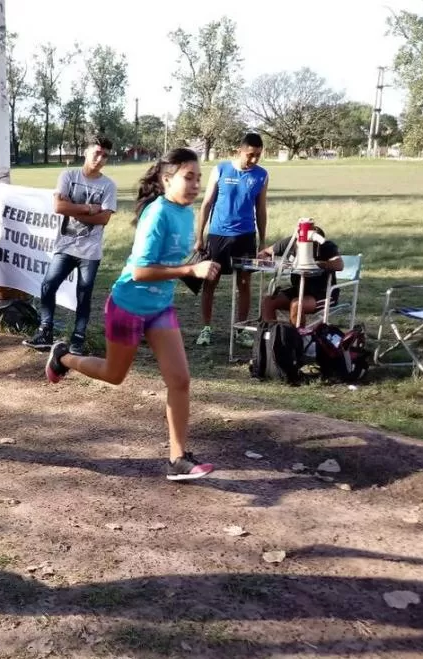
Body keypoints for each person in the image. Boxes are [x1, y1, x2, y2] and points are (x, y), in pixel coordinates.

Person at [44, 148, 220, 481]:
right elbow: (139, 271)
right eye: (189, 177)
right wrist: (190, 270)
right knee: (114, 374)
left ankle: (177, 459)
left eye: (199, 177)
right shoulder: (158, 214)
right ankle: (63, 358)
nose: (196, 184)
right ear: (168, 179)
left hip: (159, 310)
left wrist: (195, 266)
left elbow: (171, 262)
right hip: (127, 306)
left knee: (180, 380)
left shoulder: (185, 212)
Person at [23, 133, 117, 355]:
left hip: (90, 251)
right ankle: (45, 331)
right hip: (65, 245)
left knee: (84, 294)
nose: (100, 159)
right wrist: (88, 208)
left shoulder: (108, 186)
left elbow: (104, 219)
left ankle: (78, 338)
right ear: (86, 152)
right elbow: (58, 207)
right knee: (48, 285)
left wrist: (73, 206)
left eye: (105, 156)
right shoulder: (68, 175)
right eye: (97, 153)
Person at [194, 132, 269, 347]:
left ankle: (241, 329)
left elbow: (261, 210)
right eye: (250, 155)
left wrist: (262, 242)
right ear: (240, 150)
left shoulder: (261, 175)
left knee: (244, 284)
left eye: (258, 155)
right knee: (210, 283)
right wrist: (199, 237)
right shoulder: (221, 169)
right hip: (218, 236)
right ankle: (206, 329)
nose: (253, 160)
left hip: (246, 236)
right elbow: (207, 203)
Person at [259, 225, 343, 325]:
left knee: (297, 305)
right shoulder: (289, 243)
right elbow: (264, 252)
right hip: (298, 290)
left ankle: (296, 338)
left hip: (323, 293)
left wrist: (318, 264)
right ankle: (272, 335)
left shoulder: (326, 246)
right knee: (268, 302)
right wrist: (267, 259)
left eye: (310, 246)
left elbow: (339, 265)